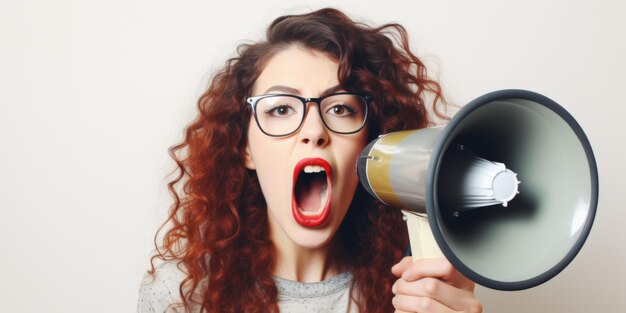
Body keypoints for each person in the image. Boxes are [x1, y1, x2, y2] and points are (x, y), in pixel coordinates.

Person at [138, 7, 482, 313]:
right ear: (244, 147)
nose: (314, 130)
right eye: (281, 108)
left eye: (340, 108)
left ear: (371, 146)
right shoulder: (181, 294)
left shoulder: (418, 290)